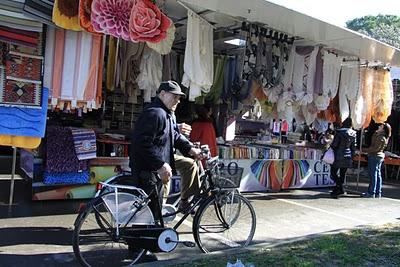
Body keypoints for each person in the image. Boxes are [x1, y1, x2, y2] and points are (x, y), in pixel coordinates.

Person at [129, 80, 201, 220]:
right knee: (150, 213)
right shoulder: (155, 113)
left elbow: (174, 135)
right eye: (174, 97)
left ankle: (183, 202)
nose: (178, 101)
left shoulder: (166, 113)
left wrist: (190, 149)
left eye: (179, 98)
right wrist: (160, 165)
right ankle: (144, 236)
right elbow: (143, 143)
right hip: (147, 169)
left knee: (189, 165)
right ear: (162, 94)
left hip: (158, 162)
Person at [329, 117, 357, 198]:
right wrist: (352, 156)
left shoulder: (339, 132)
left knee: (333, 173)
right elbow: (354, 147)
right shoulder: (353, 134)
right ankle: (339, 188)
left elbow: (334, 145)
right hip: (348, 156)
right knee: (342, 174)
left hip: (338, 155)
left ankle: (340, 188)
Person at [362, 123, 391, 198]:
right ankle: (377, 192)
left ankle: (372, 192)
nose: (379, 126)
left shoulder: (380, 137)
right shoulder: (379, 135)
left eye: (381, 126)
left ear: (383, 129)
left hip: (375, 156)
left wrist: (364, 150)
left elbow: (375, 148)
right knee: (377, 174)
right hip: (377, 156)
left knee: (373, 175)